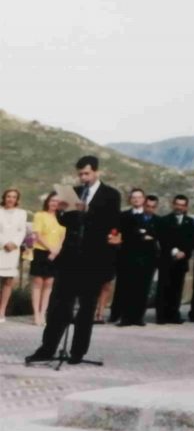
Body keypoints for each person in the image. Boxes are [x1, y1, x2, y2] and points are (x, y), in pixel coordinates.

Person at [27, 156, 121, 364]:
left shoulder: (111, 195)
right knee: (59, 305)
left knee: (86, 308)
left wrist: (88, 211)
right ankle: (47, 348)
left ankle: (78, 352)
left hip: (94, 258)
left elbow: (111, 221)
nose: (83, 178)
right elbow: (66, 222)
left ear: (96, 172)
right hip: (70, 257)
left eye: (86, 173)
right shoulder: (76, 192)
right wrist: (61, 210)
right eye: (80, 174)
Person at [116, 193, 160, 327]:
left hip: (149, 260)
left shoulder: (159, 221)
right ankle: (125, 317)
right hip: (132, 258)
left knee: (143, 289)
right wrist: (143, 236)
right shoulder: (134, 218)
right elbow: (129, 235)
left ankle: (138, 317)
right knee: (128, 288)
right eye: (147, 205)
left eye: (153, 207)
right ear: (144, 204)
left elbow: (159, 236)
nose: (149, 208)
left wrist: (147, 236)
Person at [155, 195, 194, 324]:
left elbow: (191, 240)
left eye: (182, 205)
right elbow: (162, 238)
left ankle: (173, 315)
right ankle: (161, 316)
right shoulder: (164, 220)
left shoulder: (190, 221)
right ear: (173, 205)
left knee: (177, 289)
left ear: (186, 207)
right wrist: (174, 251)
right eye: (177, 204)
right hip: (167, 260)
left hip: (181, 261)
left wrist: (184, 252)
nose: (179, 207)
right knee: (163, 288)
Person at [108, 188, 145, 324]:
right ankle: (118, 314)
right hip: (125, 255)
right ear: (130, 199)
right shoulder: (123, 216)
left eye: (139, 197)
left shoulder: (148, 216)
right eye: (133, 197)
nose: (136, 199)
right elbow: (115, 232)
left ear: (143, 199)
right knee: (123, 287)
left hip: (142, 258)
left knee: (140, 288)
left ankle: (137, 317)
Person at [29, 191, 65, 326]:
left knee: (49, 284)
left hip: (56, 253)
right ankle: (36, 314)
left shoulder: (62, 218)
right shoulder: (40, 215)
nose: (54, 203)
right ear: (48, 201)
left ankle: (43, 312)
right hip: (41, 251)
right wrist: (51, 249)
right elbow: (37, 235)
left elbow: (63, 237)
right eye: (52, 200)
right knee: (38, 283)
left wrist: (56, 251)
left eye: (57, 201)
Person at [0, 188, 28, 323]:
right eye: (8, 196)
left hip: (12, 251)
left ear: (17, 199)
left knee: (8, 281)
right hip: (0, 248)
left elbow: (21, 231)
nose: (10, 199)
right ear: (4, 198)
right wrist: (5, 242)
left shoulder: (21, 214)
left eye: (13, 197)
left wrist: (14, 243)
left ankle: (2, 312)